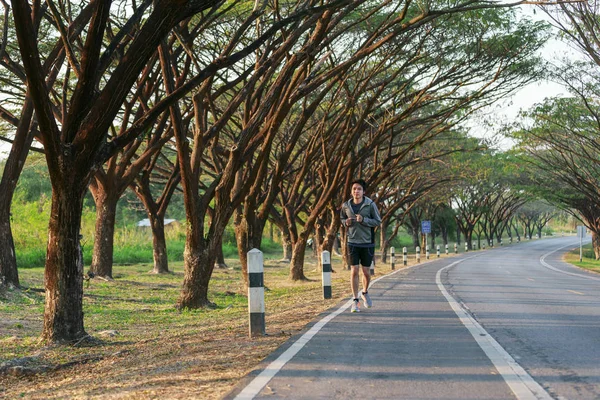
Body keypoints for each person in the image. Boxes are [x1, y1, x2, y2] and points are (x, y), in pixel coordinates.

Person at [340, 179, 381, 313]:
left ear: (363, 191)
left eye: (359, 189)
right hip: (352, 242)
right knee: (354, 271)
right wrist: (345, 222)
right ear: (351, 191)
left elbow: (377, 221)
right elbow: (341, 218)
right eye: (354, 189)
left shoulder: (370, 205)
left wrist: (364, 220)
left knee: (366, 272)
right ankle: (355, 300)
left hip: (367, 242)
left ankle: (365, 292)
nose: (356, 191)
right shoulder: (346, 205)